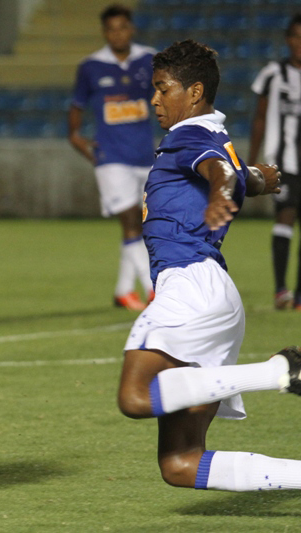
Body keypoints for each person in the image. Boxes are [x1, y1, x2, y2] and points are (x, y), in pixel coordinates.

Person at [116, 40, 301, 494]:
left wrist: (225, 187)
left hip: (189, 285)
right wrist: (256, 179)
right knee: (180, 463)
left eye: (163, 89)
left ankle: (280, 371)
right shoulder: (211, 133)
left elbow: (218, 170)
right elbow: (229, 170)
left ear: (194, 92)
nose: (155, 99)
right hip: (215, 296)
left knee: (135, 396)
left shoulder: (189, 134)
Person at [68, 4, 156, 311]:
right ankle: (152, 288)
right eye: (111, 29)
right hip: (112, 157)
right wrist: (82, 145)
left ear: (131, 29)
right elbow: (75, 115)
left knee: (142, 225)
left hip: (145, 155)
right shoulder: (91, 66)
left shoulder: (150, 59)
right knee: (130, 219)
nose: (117, 33)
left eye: (122, 27)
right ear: (105, 33)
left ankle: (122, 292)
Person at [249, 13, 301, 310]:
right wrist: (252, 160)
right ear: (287, 39)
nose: (300, 43)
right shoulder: (273, 73)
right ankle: (281, 290)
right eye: (295, 36)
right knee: (285, 217)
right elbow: (259, 118)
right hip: (284, 162)